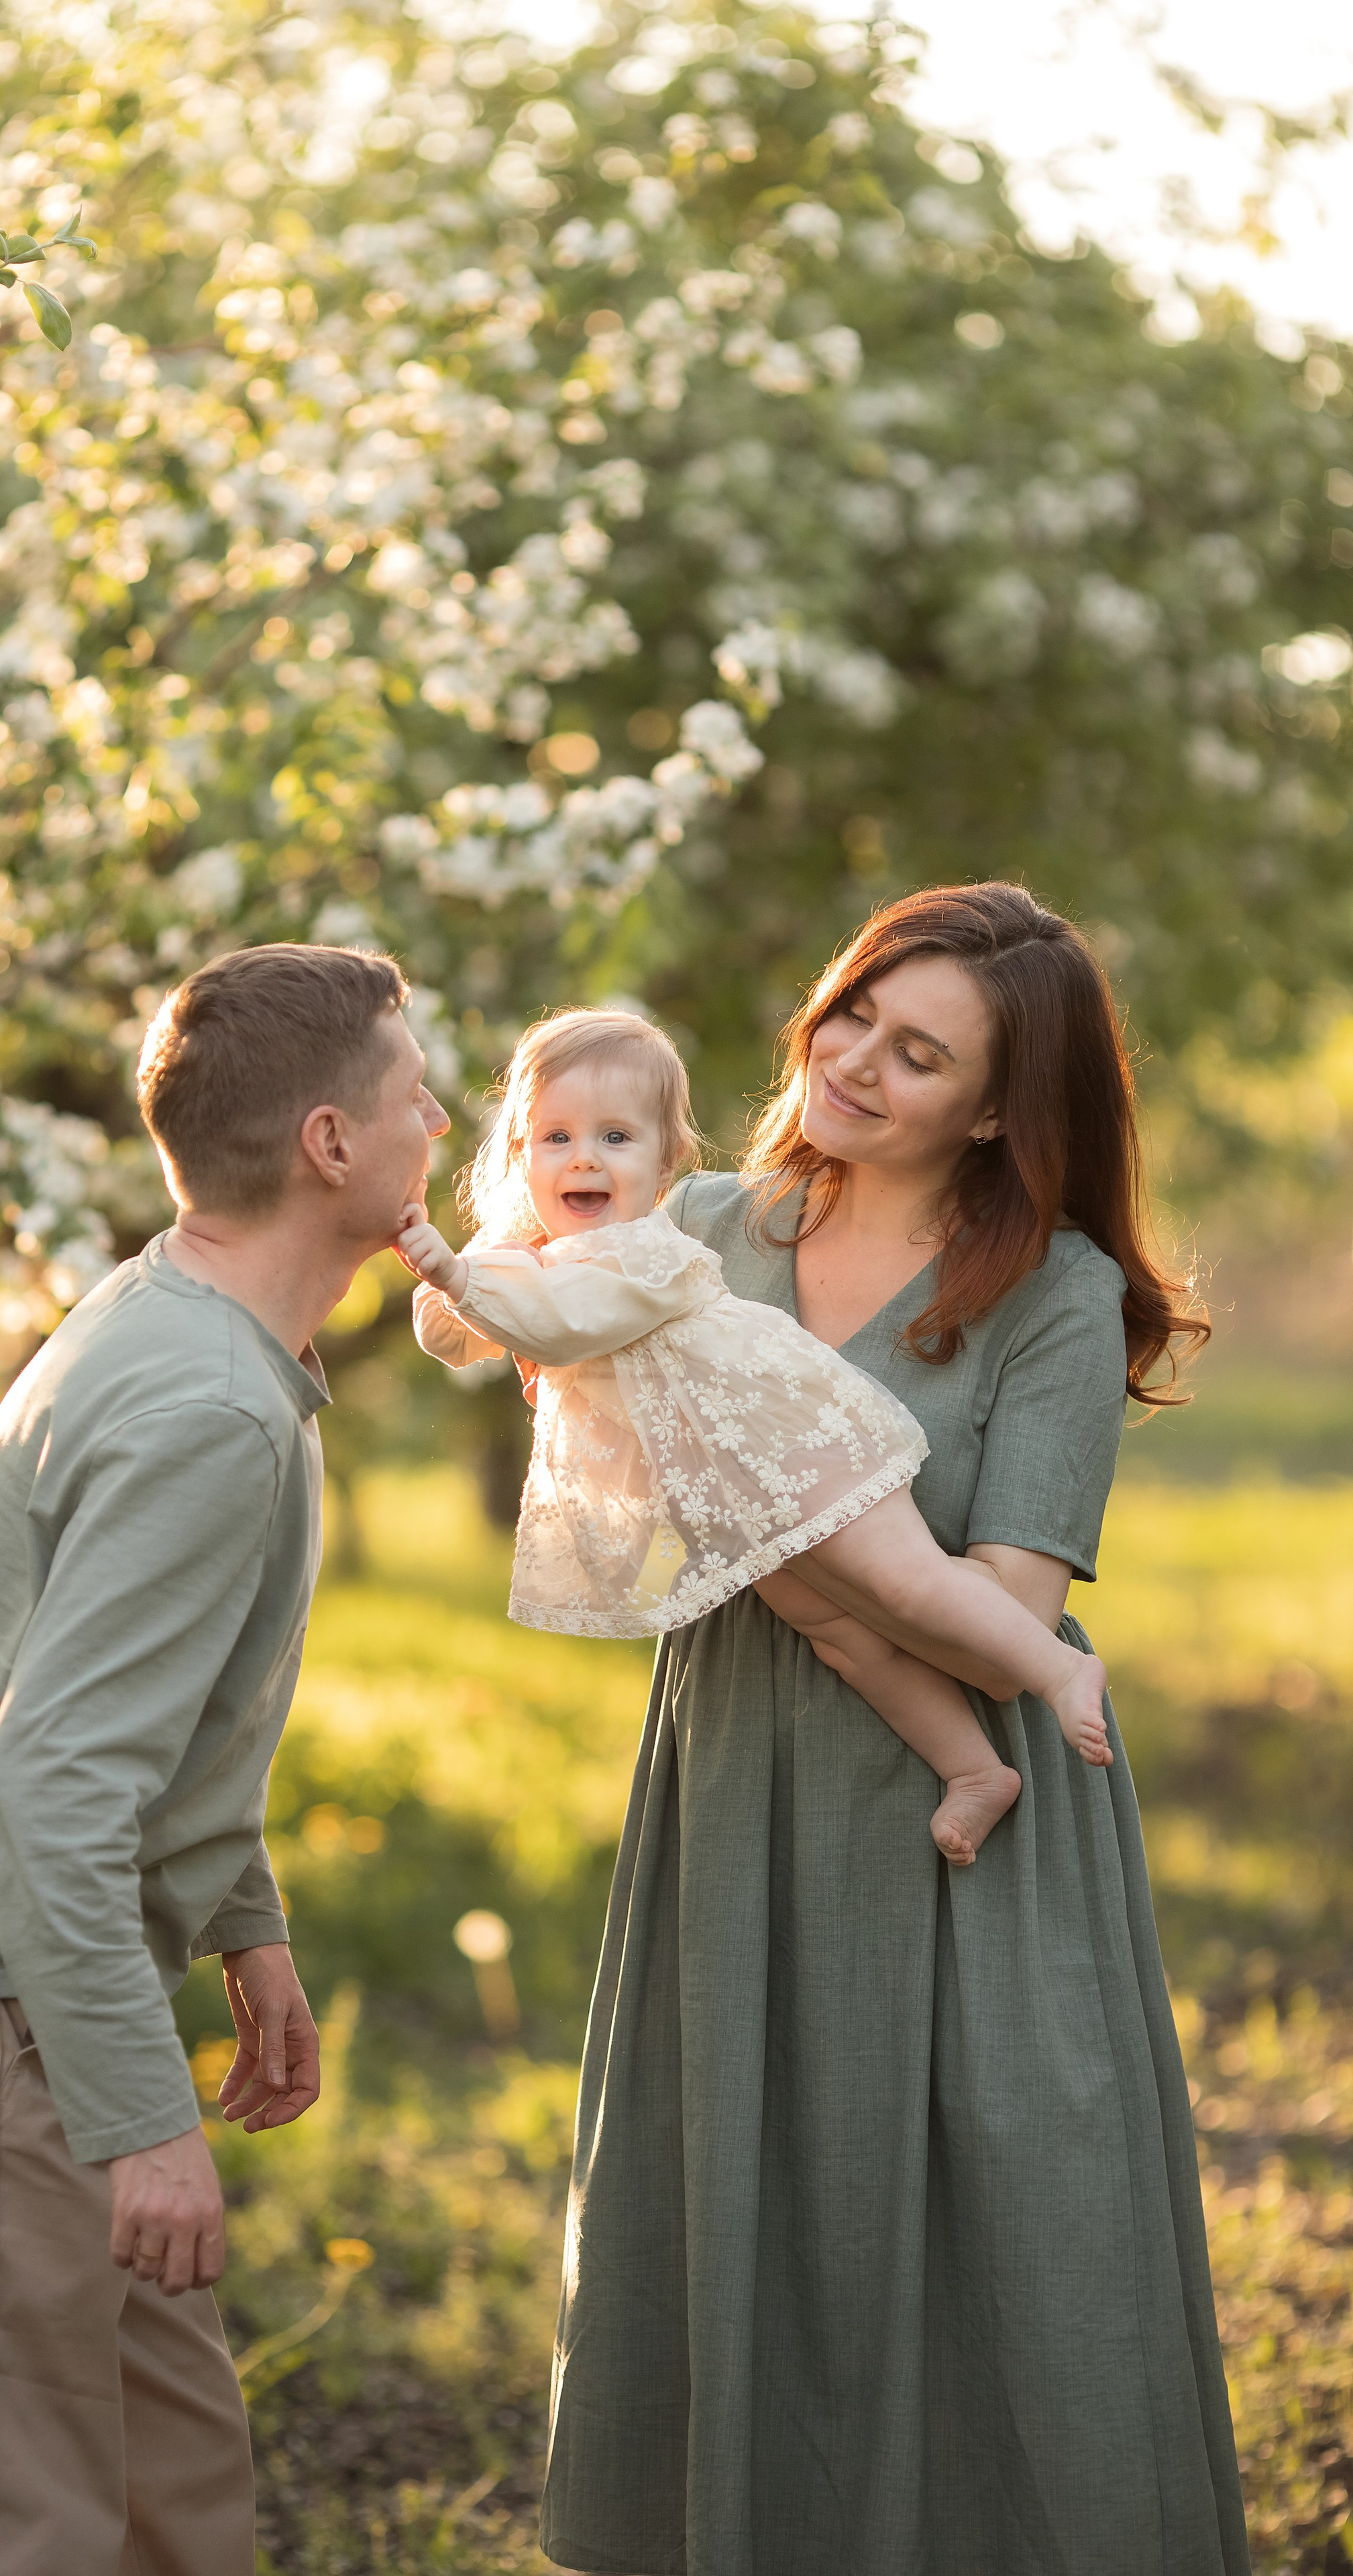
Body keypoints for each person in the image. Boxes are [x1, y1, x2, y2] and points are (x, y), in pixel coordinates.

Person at [531, 886, 1249, 2576]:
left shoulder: (1053, 1294)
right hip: (736, 1782)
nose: (851, 1058)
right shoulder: (698, 1222)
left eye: (915, 1051)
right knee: (748, 2194)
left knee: (1011, 2224)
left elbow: (998, 1600)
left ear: (995, 1107)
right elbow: (610, 1478)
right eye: (853, 1007)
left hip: (964, 1822)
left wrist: (777, 1522)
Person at [0, 943, 448, 2576]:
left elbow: (152, 1714)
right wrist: (144, 2116)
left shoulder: (191, 1328)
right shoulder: (206, 1407)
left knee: (171, 2504)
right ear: (327, 1143)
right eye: (415, 1091)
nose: (442, 1117)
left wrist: (243, 1922)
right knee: (4, 2529)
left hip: (33, 1987)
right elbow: (50, 1787)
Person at [400, 1006, 1114, 1865]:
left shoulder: (644, 1252)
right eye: (555, 1137)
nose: (583, 1157)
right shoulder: (540, 1260)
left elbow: (558, 1329)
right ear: (519, 1154)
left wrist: (456, 1273)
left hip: (796, 1450)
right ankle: (971, 1769)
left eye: (616, 1137)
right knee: (842, 1633)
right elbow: (459, 1339)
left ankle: (1058, 1670)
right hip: (748, 1514)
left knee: (909, 1581)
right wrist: (442, 1285)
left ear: (665, 1162)